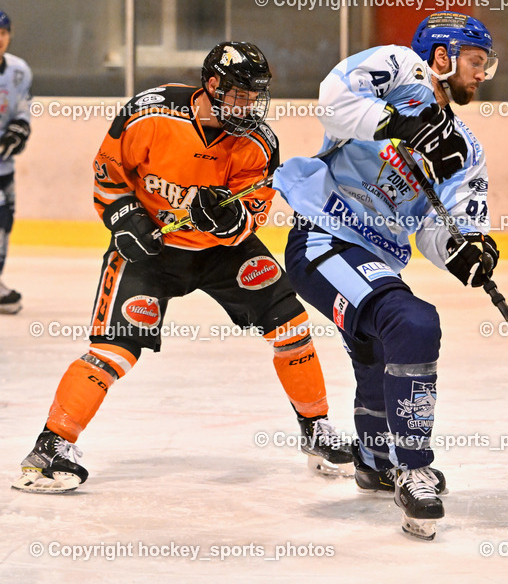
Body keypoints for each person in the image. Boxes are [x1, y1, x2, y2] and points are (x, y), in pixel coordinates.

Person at [12, 41, 352, 494]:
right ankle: (50, 446)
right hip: (150, 250)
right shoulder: (148, 114)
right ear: (212, 84)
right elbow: (108, 176)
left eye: (254, 96)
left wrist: (230, 221)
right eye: (238, 94)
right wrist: (125, 220)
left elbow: (251, 214)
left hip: (222, 253)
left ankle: (316, 429)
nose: (248, 105)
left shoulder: (258, 141)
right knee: (115, 349)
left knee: (290, 324)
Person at [273, 11, 499, 540]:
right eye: (475, 61)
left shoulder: (465, 149)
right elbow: (332, 101)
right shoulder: (400, 69)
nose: (481, 74)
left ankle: (377, 459)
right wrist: (400, 124)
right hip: (324, 237)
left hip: (375, 259)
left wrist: (465, 250)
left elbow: (441, 227)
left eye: (486, 65)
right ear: (441, 56)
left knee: (379, 346)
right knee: (412, 322)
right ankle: (415, 467)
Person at [0, 9, 33, 314]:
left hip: (3, 168)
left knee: (4, 223)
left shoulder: (19, 71)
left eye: (2, 32)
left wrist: (18, 129)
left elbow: (22, 112)